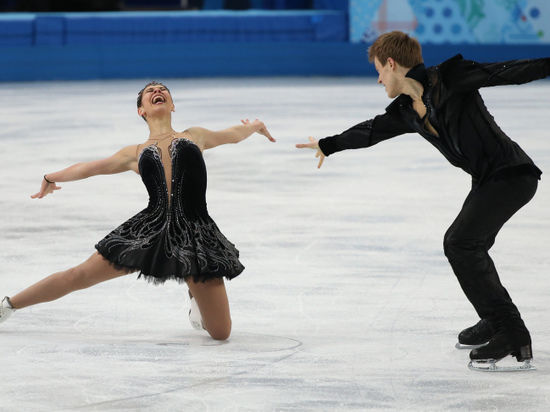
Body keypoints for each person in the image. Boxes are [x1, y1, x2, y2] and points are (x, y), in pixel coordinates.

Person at [296, 31, 549, 370]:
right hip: (487, 180)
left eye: (379, 71)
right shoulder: (407, 110)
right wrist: (329, 145)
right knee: (467, 246)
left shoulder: (451, 78)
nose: (378, 79)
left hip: (512, 174)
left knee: (460, 244)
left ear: (391, 63)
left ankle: (512, 333)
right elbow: (371, 131)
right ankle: (493, 318)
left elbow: (506, 72)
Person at [0, 81, 275, 341]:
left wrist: (254, 126)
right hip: (150, 230)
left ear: (172, 105)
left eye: (162, 89)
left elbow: (232, 135)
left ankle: (194, 295)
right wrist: (50, 177)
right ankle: (8, 305)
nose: (157, 91)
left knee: (220, 333)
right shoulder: (135, 152)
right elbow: (90, 168)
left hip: (195, 235)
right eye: (150, 91)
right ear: (141, 110)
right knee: (79, 275)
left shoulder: (195, 136)